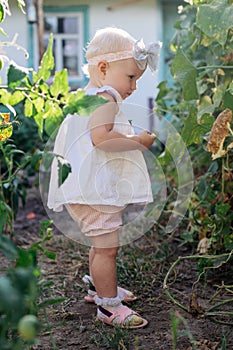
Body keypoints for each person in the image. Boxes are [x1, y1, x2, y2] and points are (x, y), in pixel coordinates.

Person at [47, 27, 161, 328]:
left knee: (101, 244)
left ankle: (100, 287)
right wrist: (138, 141)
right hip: (93, 191)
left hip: (87, 187)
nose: (134, 87)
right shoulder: (106, 98)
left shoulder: (87, 97)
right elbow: (102, 140)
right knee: (107, 247)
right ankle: (109, 306)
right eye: (131, 77)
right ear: (103, 68)